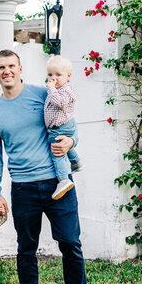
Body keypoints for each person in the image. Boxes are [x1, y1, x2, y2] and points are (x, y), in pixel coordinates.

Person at [0, 49, 92, 284]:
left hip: (60, 183)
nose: (6, 71)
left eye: (11, 66)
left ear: (20, 68)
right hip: (23, 188)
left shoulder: (42, 93)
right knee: (26, 249)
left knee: (70, 243)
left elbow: (68, 123)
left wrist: (70, 142)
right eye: (1, 67)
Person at [45, 55, 83, 200]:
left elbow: (60, 103)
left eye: (58, 75)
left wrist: (52, 89)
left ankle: (63, 180)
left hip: (62, 126)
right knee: (64, 145)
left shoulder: (67, 91)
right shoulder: (57, 89)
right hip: (60, 126)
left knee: (57, 151)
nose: (54, 78)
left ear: (69, 76)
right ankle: (76, 163)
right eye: (50, 75)